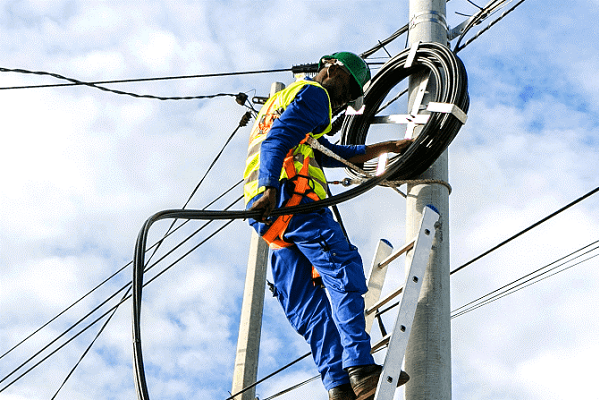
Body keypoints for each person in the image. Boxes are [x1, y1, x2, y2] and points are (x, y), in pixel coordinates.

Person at [243, 52, 412, 400]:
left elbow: (321, 151)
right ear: (332, 67)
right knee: (343, 271)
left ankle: (338, 388)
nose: (342, 101)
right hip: (294, 202)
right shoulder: (315, 94)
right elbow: (278, 142)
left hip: (273, 223)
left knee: (306, 308)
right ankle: (361, 369)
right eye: (346, 89)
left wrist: (381, 148)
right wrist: (271, 189)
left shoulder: (279, 104)